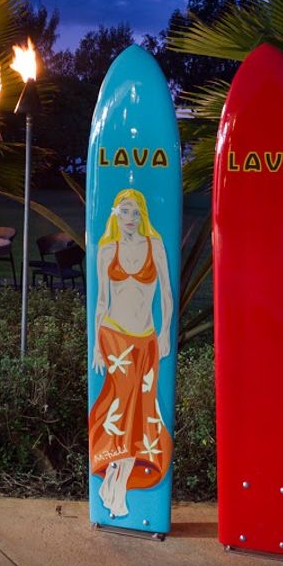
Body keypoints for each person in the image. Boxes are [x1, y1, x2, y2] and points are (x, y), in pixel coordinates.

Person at [87, 187, 175, 518]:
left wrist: (165, 331)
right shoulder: (106, 250)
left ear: (143, 215)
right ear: (114, 213)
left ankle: (115, 481)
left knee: (140, 412)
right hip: (115, 338)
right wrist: (97, 344)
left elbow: (166, 292)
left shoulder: (155, 246)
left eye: (135, 212)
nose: (129, 218)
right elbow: (101, 301)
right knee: (121, 409)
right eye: (124, 211)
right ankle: (116, 488)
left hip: (147, 340)